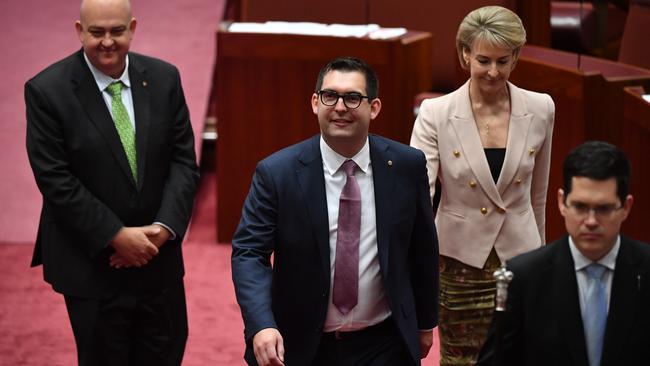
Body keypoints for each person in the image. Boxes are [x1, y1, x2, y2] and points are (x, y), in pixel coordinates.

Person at [231, 56, 439, 366]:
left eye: (353, 98)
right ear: (315, 103)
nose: (340, 107)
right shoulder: (277, 173)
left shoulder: (406, 166)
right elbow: (249, 252)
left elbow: (422, 247)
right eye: (330, 96)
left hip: (385, 342)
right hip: (301, 345)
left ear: (374, 107)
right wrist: (262, 323)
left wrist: (424, 322)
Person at [25, 0, 199, 364]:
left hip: (158, 258)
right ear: (79, 31)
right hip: (92, 265)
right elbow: (56, 180)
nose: (108, 41)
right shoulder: (47, 91)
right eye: (97, 32)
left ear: (132, 28)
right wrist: (116, 236)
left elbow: (183, 161)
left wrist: (162, 230)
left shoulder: (165, 78)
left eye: (117, 31)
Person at [409, 5, 555, 365]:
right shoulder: (436, 113)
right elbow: (417, 197)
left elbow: (538, 195)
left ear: (515, 58)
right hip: (459, 263)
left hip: (521, 259)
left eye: (503, 61)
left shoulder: (541, 108)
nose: (493, 72)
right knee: (462, 359)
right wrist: (414, 269)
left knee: (522, 355)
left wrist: (543, 261)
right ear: (465, 55)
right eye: (484, 60)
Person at [477, 141, 650, 365]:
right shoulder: (526, 278)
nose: (591, 221)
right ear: (562, 203)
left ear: (626, 207)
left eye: (604, 209)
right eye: (580, 207)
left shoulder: (646, 270)